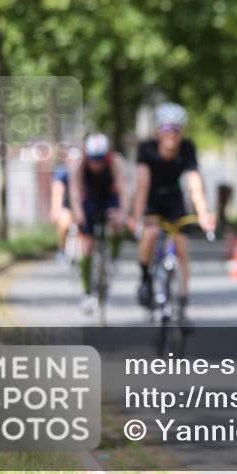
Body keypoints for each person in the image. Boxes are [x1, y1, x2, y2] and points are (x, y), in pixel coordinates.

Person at [130, 103, 215, 320]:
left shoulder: (188, 148)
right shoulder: (146, 150)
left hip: (175, 199)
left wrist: (204, 213)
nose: (171, 134)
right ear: (158, 131)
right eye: (166, 129)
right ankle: (145, 279)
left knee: (182, 246)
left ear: (182, 131)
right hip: (152, 198)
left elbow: (194, 182)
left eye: (176, 129)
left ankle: (183, 301)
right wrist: (137, 218)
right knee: (150, 234)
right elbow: (142, 187)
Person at [69, 133, 127, 313]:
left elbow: (124, 189)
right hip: (90, 199)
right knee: (86, 246)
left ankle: (115, 258)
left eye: (101, 159)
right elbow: (74, 191)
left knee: (117, 222)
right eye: (93, 160)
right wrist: (78, 214)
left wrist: (123, 214)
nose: (97, 164)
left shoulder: (115, 162)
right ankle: (87, 293)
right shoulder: (79, 164)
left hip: (109, 197)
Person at [50, 160, 74, 266]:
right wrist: (56, 209)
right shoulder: (63, 172)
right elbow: (57, 190)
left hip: (84, 203)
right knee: (64, 224)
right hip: (67, 203)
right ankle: (61, 250)